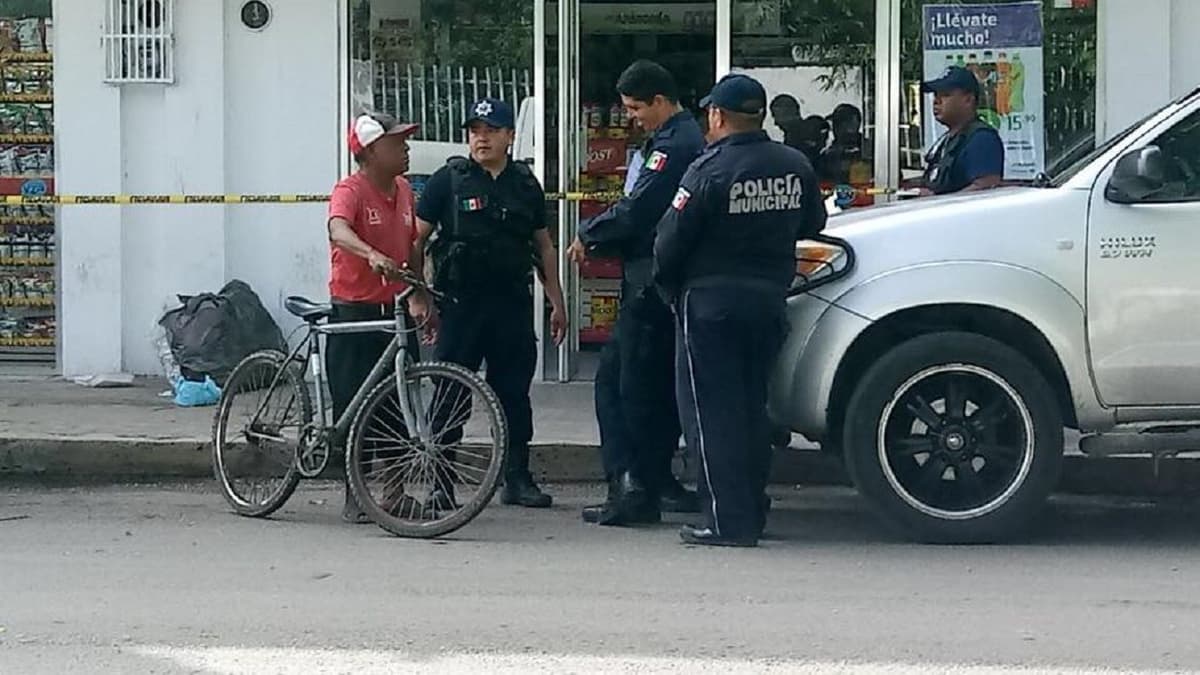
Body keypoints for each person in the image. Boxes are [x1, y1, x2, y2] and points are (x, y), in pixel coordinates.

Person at [654, 74, 827, 547]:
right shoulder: (794, 164)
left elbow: (670, 240)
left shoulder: (707, 169)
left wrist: (667, 287)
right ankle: (752, 508)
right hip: (769, 300)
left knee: (710, 415)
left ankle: (726, 520)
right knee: (752, 411)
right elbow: (815, 221)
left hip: (709, 304)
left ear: (717, 115)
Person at [410, 97, 568, 508]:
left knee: (513, 394)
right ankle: (440, 483)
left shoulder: (524, 184)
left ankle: (517, 478)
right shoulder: (449, 179)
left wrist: (558, 301)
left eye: (491, 130)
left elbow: (543, 246)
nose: (481, 138)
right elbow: (417, 239)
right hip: (461, 305)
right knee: (449, 393)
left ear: (510, 137)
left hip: (511, 304)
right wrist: (419, 294)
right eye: (475, 131)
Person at [568, 60, 705, 526]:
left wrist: (590, 233)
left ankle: (633, 487)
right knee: (652, 386)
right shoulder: (674, 140)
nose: (630, 118)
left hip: (651, 280)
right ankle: (655, 478)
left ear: (661, 101)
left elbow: (641, 208)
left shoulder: (676, 145)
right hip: (658, 278)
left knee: (623, 387)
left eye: (635, 108)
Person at [326, 111, 425, 524]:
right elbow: (337, 229)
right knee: (354, 404)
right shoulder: (350, 190)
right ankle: (356, 493)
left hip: (396, 311)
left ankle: (396, 492)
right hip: (355, 312)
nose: (405, 149)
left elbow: (414, 244)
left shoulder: (404, 190)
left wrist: (421, 292)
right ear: (369, 151)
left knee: (399, 403)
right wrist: (370, 254)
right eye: (396, 143)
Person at [918, 66, 1005, 195]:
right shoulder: (948, 140)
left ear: (968, 100)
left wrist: (936, 200)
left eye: (945, 95)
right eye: (936, 95)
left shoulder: (982, 139)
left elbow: (985, 190)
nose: (936, 101)